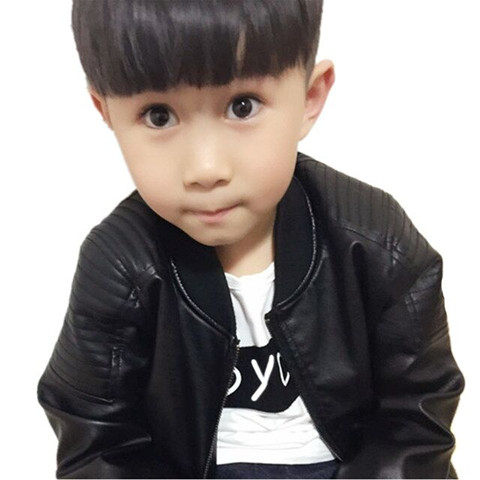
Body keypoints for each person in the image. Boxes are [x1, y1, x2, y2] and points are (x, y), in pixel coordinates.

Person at [36, 1, 465, 478]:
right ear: (106, 112)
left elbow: (418, 415)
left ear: (310, 97)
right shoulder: (119, 263)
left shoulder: (376, 239)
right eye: (158, 116)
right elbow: (96, 441)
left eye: (242, 106)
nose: (206, 169)